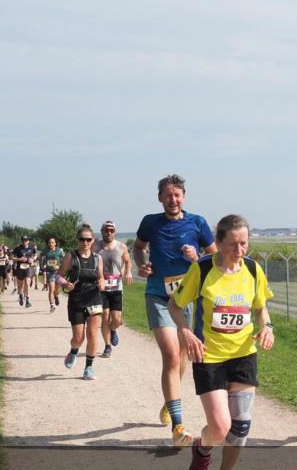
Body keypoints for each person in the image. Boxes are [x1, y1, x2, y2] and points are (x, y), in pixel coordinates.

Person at [169, 214, 274, 470]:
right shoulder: (201, 270)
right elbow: (175, 305)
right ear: (218, 242)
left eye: (244, 244)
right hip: (209, 356)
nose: (239, 251)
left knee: (240, 427)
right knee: (219, 427)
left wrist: (267, 327)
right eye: (233, 245)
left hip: (243, 355)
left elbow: (261, 309)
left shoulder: (253, 270)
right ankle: (202, 451)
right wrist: (185, 331)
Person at [134, 174, 216, 447]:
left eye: (177, 195)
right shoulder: (150, 222)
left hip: (186, 299)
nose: (173, 199)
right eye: (168, 195)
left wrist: (197, 257)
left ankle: (170, 402)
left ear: (184, 196)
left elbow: (214, 258)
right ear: (160, 198)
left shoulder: (198, 222)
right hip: (158, 295)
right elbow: (139, 248)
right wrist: (142, 265)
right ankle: (179, 426)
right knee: (171, 356)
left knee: (182, 359)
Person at [55, 224, 105, 380]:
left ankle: (88, 368)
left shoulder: (97, 258)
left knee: (93, 335)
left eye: (88, 239)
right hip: (76, 299)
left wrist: (101, 283)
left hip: (94, 298)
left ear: (93, 240)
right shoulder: (71, 256)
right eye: (82, 239)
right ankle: (74, 351)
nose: (85, 242)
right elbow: (58, 275)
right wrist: (64, 284)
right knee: (78, 338)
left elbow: (101, 277)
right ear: (78, 240)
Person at [96, 221, 133, 357]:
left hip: (117, 287)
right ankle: (107, 346)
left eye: (111, 230)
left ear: (115, 232)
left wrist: (128, 272)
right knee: (105, 316)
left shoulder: (121, 246)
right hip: (102, 287)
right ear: (102, 231)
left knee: (116, 319)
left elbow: (128, 261)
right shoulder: (96, 247)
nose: (109, 232)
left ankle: (113, 329)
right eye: (106, 230)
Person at [41, 237, 66, 312]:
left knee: (57, 289)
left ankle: (56, 295)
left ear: (55, 243)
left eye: (52, 242)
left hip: (58, 272)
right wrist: (41, 265)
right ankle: (52, 305)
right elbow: (40, 256)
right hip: (49, 272)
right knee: (51, 288)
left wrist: (60, 266)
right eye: (49, 242)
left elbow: (65, 259)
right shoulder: (45, 250)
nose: (51, 244)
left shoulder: (59, 251)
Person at [12, 235, 37, 307]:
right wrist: (19, 259)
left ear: (28, 241)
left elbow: (35, 255)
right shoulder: (18, 248)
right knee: (20, 285)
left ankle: (27, 300)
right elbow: (11, 257)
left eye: (26, 240)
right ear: (22, 241)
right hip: (20, 268)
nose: (24, 241)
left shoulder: (32, 248)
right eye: (23, 240)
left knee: (27, 283)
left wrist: (33, 259)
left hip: (28, 267)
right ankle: (20, 295)